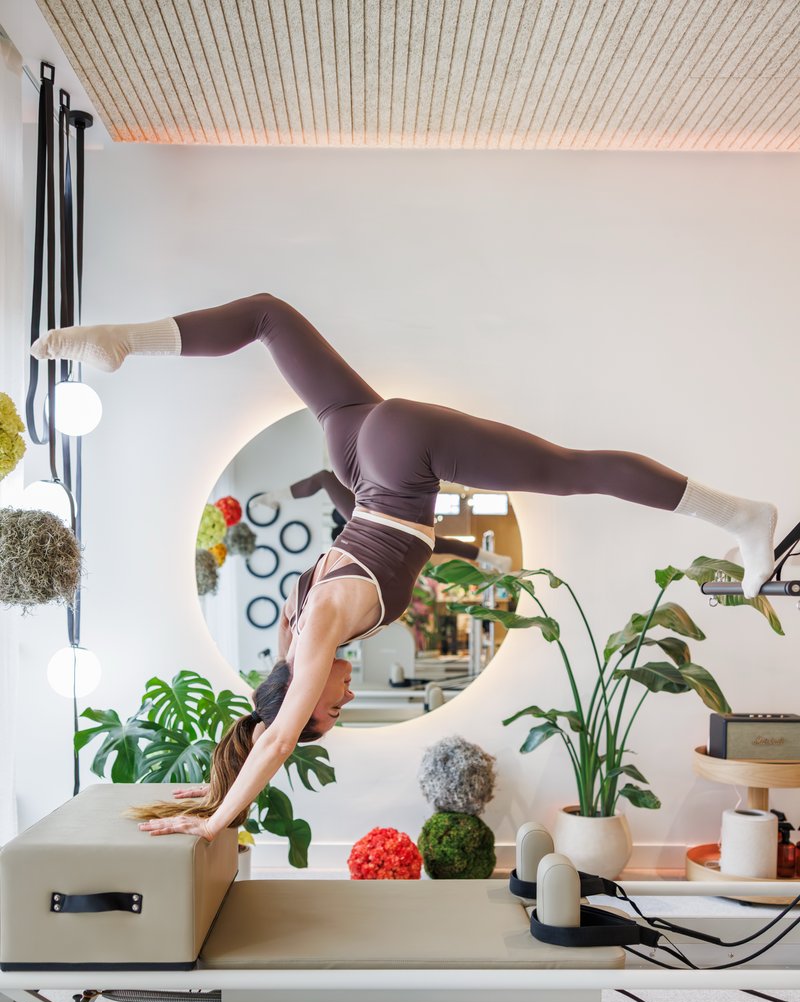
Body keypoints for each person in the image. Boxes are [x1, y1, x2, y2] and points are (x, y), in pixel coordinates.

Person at [31, 293, 779, 843]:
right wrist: (210, 785)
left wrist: (216, 820)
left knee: (570, 469)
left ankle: (741, 516)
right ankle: (123, 339)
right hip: (354, 445)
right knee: (267, 315)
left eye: (330, 708)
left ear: (304, 696)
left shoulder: (316, 630)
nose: (344, 695)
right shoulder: (296, 625)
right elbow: (263, 719)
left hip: (394, 460)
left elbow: (275, 737)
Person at [252, 467, 513, 570]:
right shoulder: (354, 519)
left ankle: (495, 559)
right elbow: (324, 478)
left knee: (438, 544)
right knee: (325, 477)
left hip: (391, 527)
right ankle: (275, 496)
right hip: (379, 521)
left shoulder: (354, 530)